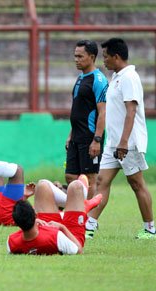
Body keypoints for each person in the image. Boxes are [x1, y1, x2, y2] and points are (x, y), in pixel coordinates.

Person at [85, 38, 154, 239]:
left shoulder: (129, 77)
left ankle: (150, 228)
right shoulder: (116, 77)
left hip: (128, 143)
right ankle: (90, 225)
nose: (103, 61)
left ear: (116, 57)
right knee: (101, 180)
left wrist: (124, 142)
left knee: (136, 184)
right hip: (113, 143)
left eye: (106, 57)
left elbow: (131, 112)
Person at [0, 136, 101, 226]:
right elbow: (27, 213)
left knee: (17, 171)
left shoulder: (56, 213)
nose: (53, 187)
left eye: (58, 188)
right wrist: (24, 196)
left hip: (6, 216)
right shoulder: (48, 210)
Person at [65, 40, 108, 198]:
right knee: (71, 177)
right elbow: (78, 110)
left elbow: (103, 112)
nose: (76, 59)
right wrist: (70, 135)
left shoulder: (99, 80)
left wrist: (97, 140)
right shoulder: (81, 78)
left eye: (80, 56)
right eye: (75, 56)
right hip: (76, 136)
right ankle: (76, 212)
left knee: (90, 178)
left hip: (90, 137)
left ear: (92, 57)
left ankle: (89, 220)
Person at [7, 179, 90, 255]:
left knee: (42, 186)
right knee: (76, 186)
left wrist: (24, 197)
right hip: (70, 236)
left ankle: (71, 203)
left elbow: (21, 215)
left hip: (46, 226)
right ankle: (81, 204)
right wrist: (62, 227)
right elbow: (78, 250)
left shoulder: (11, 242)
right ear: (35, 214)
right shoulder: (55, 237)